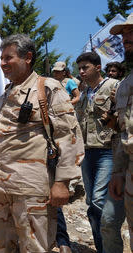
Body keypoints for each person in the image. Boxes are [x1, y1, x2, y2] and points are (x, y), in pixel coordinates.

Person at [0, 34, 84, 252]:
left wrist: (62, 182)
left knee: (35, 247)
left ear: (27, 57)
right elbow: (1, 136)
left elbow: (68, 136)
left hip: (31, 189)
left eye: (8, 58)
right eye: (1, 58)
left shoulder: (47, 88)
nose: (2, 63)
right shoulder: (7, 93)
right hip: (1, 187)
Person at [75, 51, 119, 252]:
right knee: (91, 203)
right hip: (87, 152)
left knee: (99, 200)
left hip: (107, 151)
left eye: (85, 67)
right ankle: (102, 247)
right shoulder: (84, 94)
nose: (81, 72)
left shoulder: (113, 86)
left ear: (97, 68)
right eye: (80, 68)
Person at [103, 15, 133, 252]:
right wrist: (118, 172)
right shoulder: (125, 85)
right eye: (124, 35)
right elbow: (124, 133)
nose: (126, 39)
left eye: (132, 33)